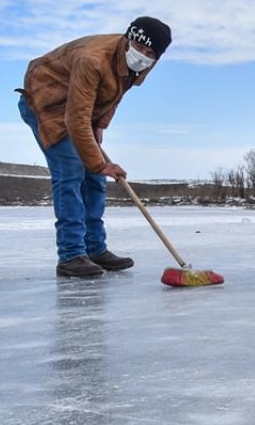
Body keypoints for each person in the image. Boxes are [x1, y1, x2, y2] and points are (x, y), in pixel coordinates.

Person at [16, 17, 172, 277]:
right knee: (72, 172)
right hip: (47, 104)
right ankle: (71, 255)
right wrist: (100, 164)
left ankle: (94, 249)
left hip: (79, 108)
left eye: (150, 53)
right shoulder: (93, 59)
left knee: (96, 181)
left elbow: (115, 96)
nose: (142, 55)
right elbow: (75, 119)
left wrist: (100, 123)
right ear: (128, 38)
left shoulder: (141, 65)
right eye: (138, 46)